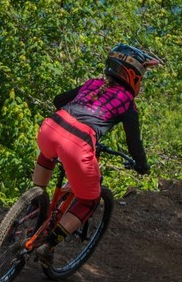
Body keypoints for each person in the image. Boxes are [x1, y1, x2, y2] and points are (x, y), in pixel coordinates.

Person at [31, 43, 163, 252]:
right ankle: (46, 245)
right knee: (88, 201)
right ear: (133, 76)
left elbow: (58, 100)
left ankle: (34, 200)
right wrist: (142, 165)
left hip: (50, 127)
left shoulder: (92, 84)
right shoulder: (127, 103)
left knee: (49, 155)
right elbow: (134, 143)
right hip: (78, 144)